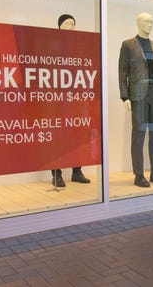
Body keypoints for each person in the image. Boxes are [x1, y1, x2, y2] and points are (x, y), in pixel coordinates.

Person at [118, 13, 153, 187]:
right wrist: (124, 96)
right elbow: (122, 72)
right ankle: (139, 174)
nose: (150, 25)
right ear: (138, 22)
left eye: (152, 22)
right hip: (138, 95)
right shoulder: (128, 45)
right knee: (138, 135)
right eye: (147, 21)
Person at [50, 14, 91, 187]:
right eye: (67, 23)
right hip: (57, 98)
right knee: (58, 136)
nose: (71, 26)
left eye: (73, 24)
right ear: (59, 26)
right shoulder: (51, 45)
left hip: (76, 97)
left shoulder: (79, 46)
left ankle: (77, 170)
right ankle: (57, 173)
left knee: (78, 134)